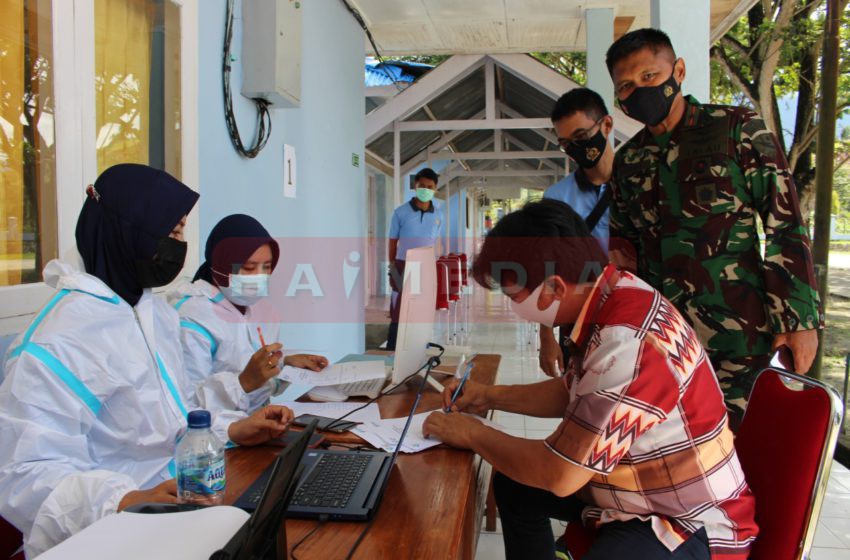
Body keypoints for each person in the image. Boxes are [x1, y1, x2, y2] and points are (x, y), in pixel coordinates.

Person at [423, 199, 758, 560]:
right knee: (515, 484)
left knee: (536, 476)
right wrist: (488, 397)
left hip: (684, 518)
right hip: (638, 489)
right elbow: (576, 392)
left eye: (513, 296)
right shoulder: (614, 292)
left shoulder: (624, 341)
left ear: (554, 287)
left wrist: (472, 433)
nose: (513, 308)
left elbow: (560, 475)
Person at [0, 164, 294, 557]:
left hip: (185, 502)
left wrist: (232, 430)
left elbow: (175, 414)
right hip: (111, 534)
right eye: (172, 232)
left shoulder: (151, 312)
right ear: (126, 231)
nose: (179, 246)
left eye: (182, 232)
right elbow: (25, 475)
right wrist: (128, 499)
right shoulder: (57, 341)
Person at [605, 28, 821, 426]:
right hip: (664, 338)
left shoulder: (736, 128)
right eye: (626, 86)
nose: (640, 91)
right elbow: (624, 252)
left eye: (649, 77)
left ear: (679, 71)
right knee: (676, 446)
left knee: (746, 447)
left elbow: (784, 224)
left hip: (740, 334)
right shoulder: (628, 161)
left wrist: (799, 321)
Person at [170, 214, 328, 412]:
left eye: (267, 267)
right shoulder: (193, 317)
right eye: (248, 268)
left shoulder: (262, 310)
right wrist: (244, 382)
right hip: (218, 437)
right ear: (221, 265)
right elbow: (188, 406)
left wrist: (286, 364)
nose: (258, 277)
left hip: (257, 424)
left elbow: (259, 387)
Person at [539, 87, 616, 378]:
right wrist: (546, 338)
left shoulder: (640, 184)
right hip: (579, 318)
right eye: (566, 144)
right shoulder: (557, 198)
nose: (575, 149)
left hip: (634, 315)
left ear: (606, 126)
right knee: (579, 400)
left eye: (581, 138)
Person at [386, 167, 443, 350]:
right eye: (421, 186)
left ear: (435, 189)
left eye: (429, 186)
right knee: (399, 310)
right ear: (415, 186)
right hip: (402, 265)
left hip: (426, 267)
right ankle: (393, 348)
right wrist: (392, 266)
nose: (425, 189)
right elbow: (392, 241)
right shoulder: (400, 213)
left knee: (421, 310)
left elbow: (434, 242)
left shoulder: (438, 215)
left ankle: (418, 347)